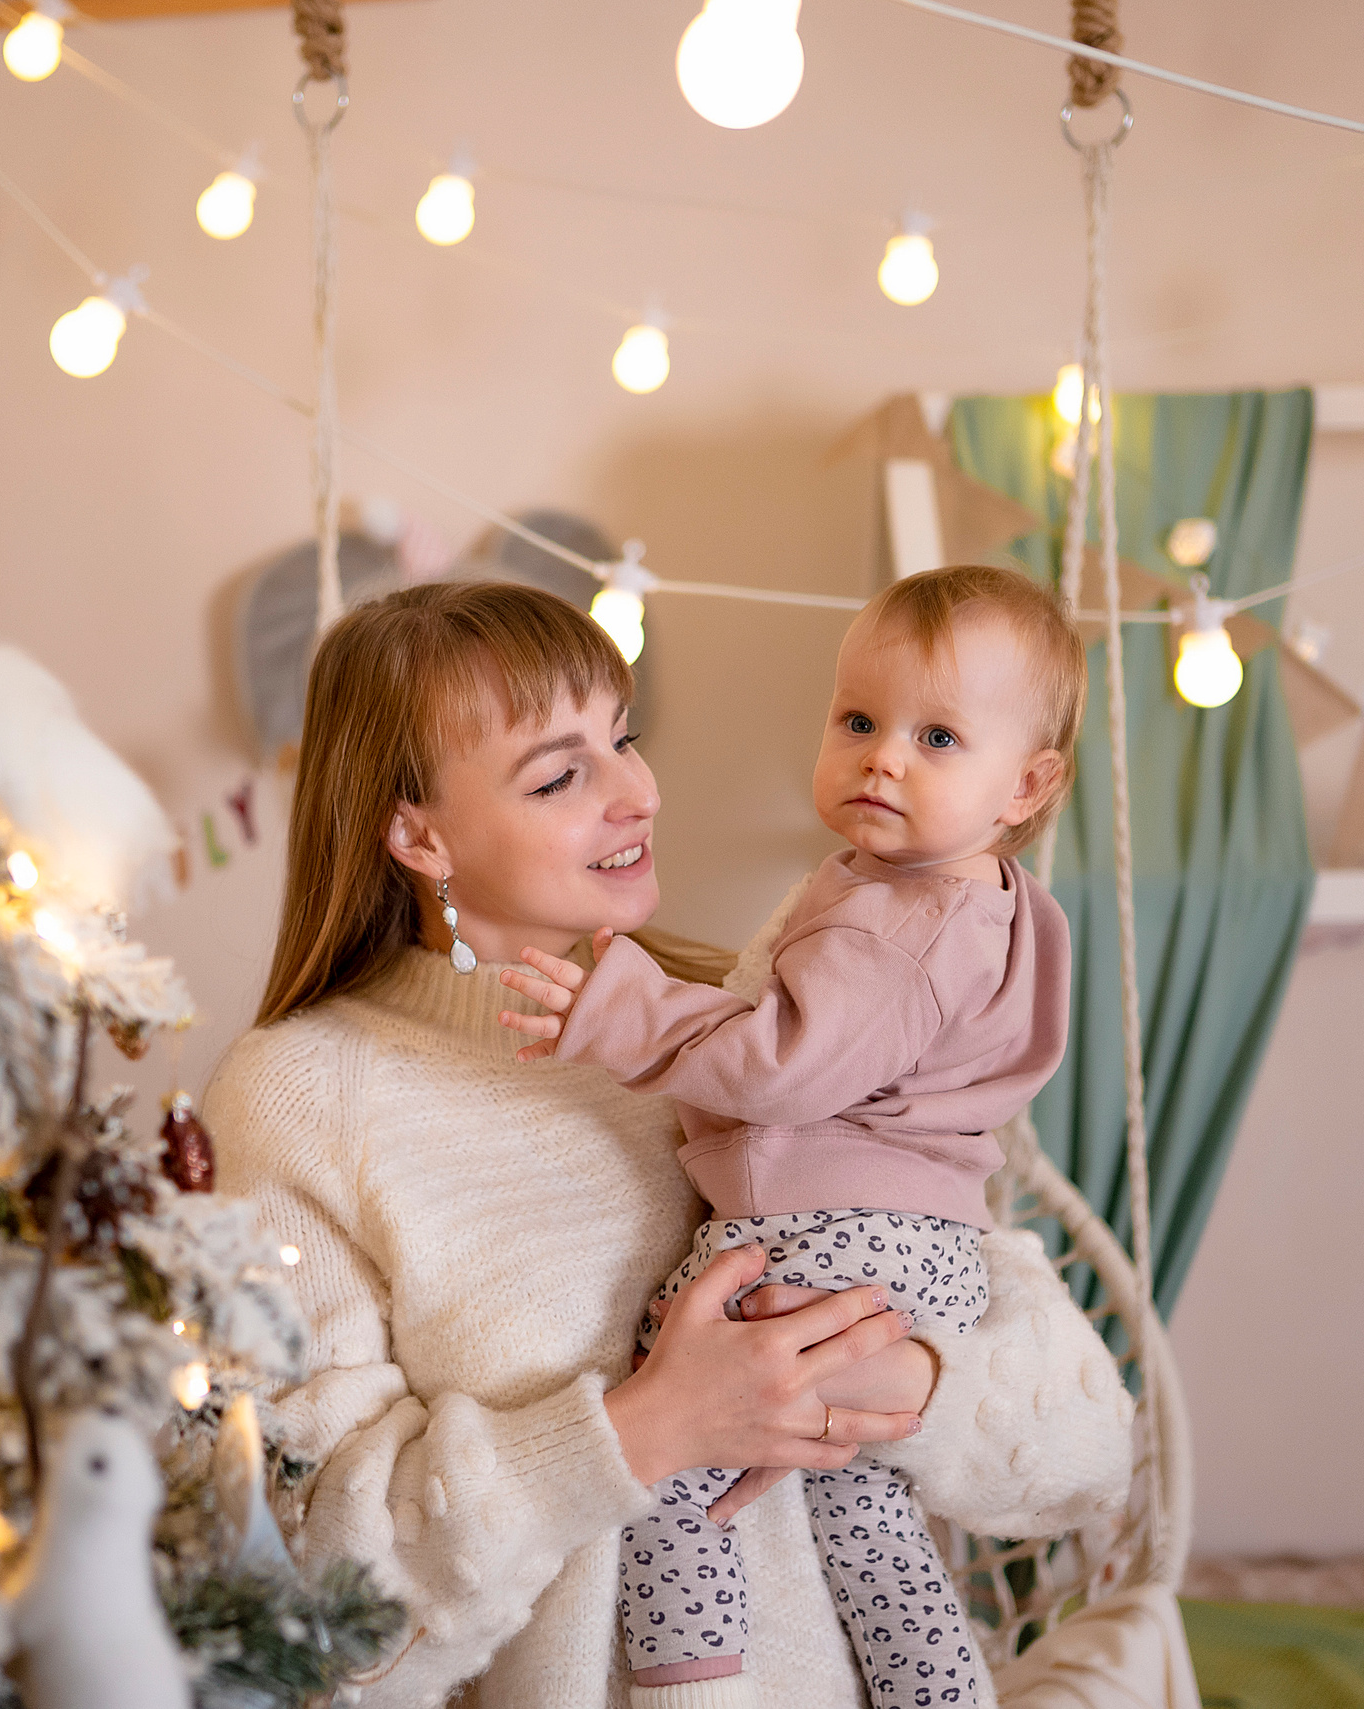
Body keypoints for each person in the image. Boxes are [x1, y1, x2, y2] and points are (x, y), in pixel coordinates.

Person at [211, 580, 1001, 1709]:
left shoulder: (744, 1018)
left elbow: (1076, 1429)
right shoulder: (297, 1096)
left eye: (623, 739)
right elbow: (306, 1589)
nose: (639, 793)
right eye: (559, 775)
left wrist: (900, 1379)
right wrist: (643, 1430)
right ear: (418, 833)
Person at [502, 566, 1084, 1709]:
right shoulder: (990, 902)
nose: (882, 758)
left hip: (830, 1230)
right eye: (858, 719)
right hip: (923, 1243)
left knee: (671, 1452)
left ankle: (689, 1686)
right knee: (864, 1509)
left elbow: (781, 1065)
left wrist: (621, 1011)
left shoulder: (899, 923)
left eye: (936, 737)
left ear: (1027, 782)